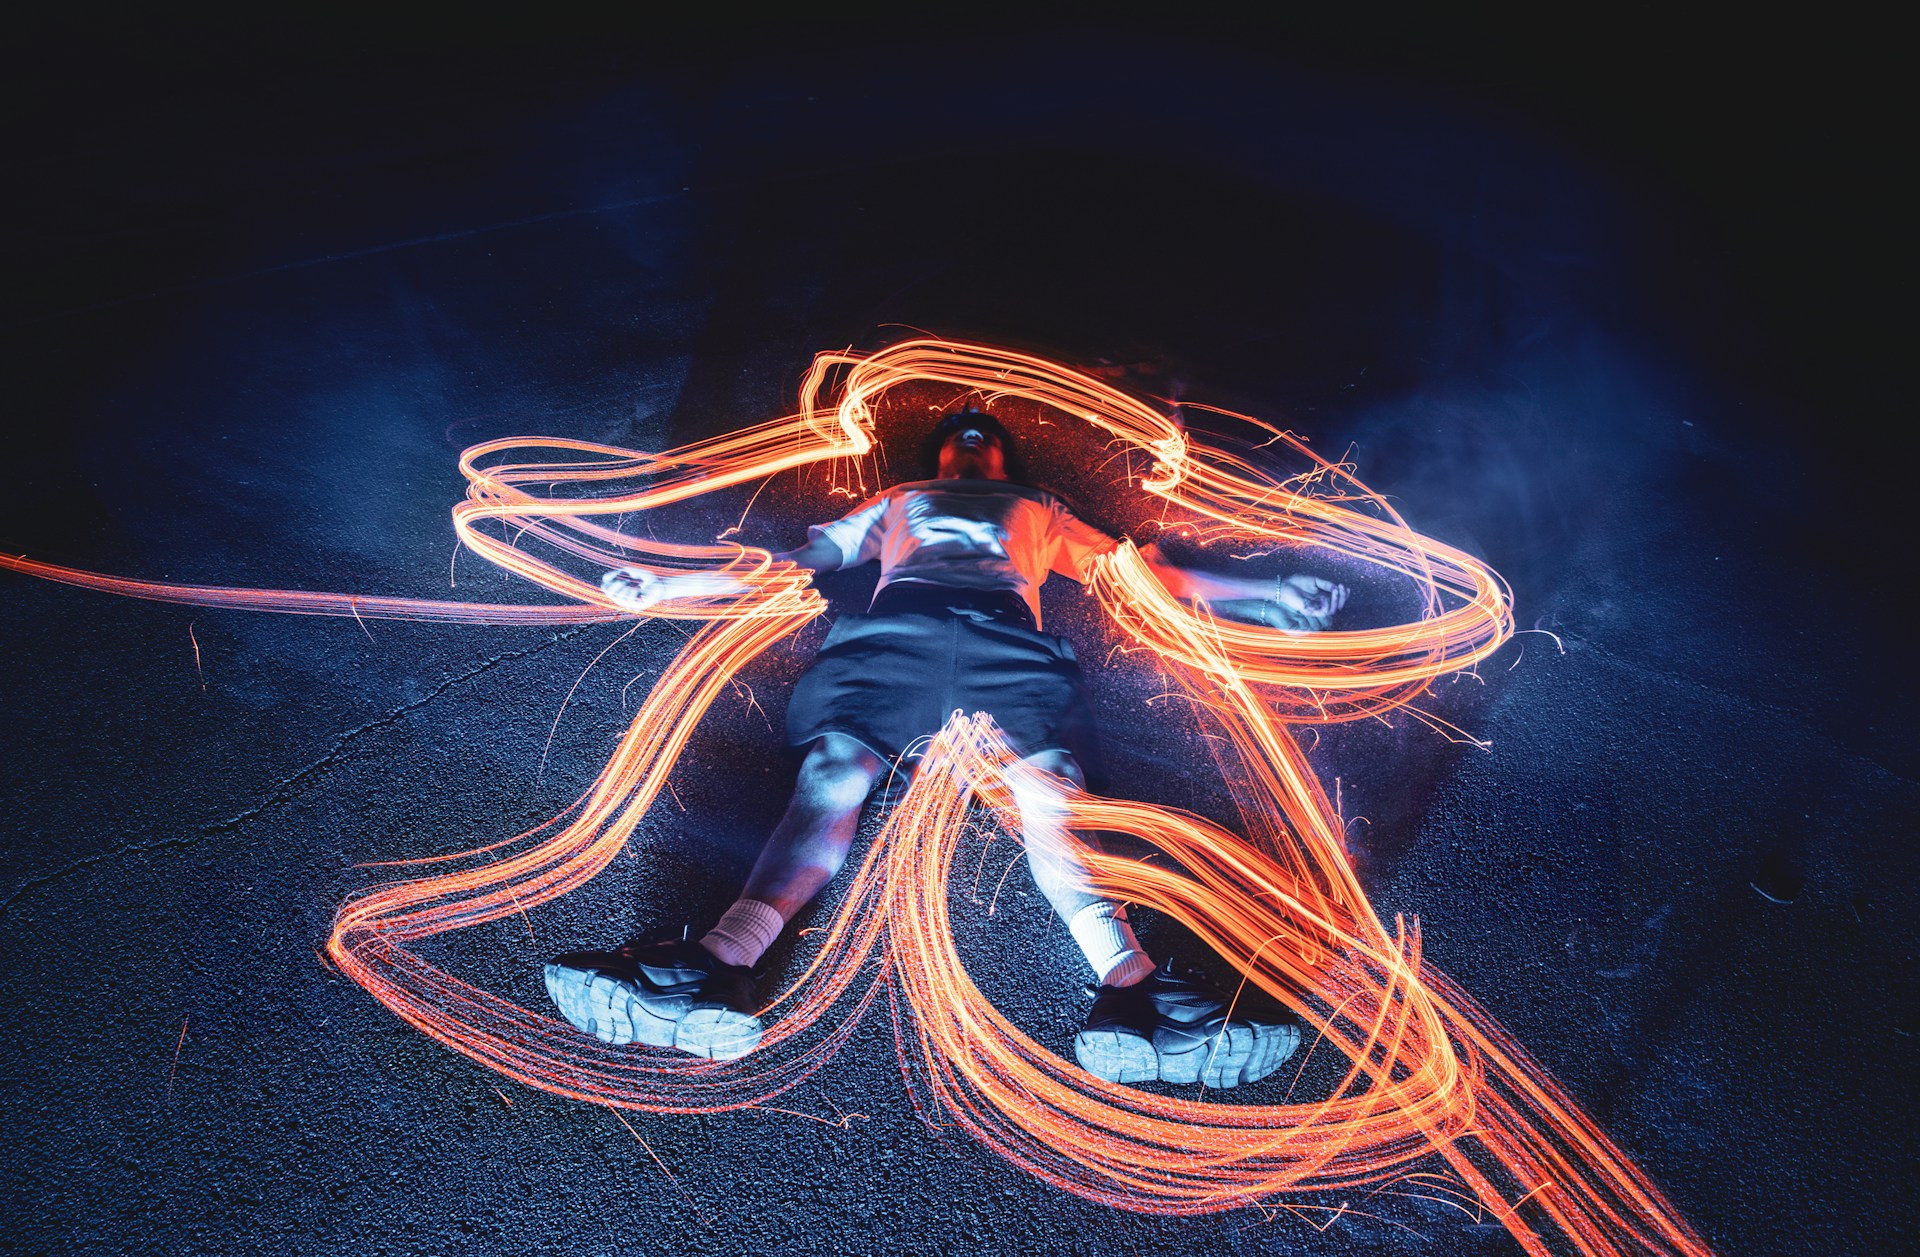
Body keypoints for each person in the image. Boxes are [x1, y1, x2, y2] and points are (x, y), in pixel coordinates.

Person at [544, 410, 1347, 1088]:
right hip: (898, 634)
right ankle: (713, 968)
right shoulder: (899, 499)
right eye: (958, 430)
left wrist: (1265, 592)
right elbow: (802, 562)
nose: (971, 435)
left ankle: (1139, 993)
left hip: (1005, 637)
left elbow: (1137, 572)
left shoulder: (1039, 504)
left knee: (1051, 792)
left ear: (1002, 455)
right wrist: (674, 585)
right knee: (832, 774)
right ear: (938, 454)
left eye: (984, 431)